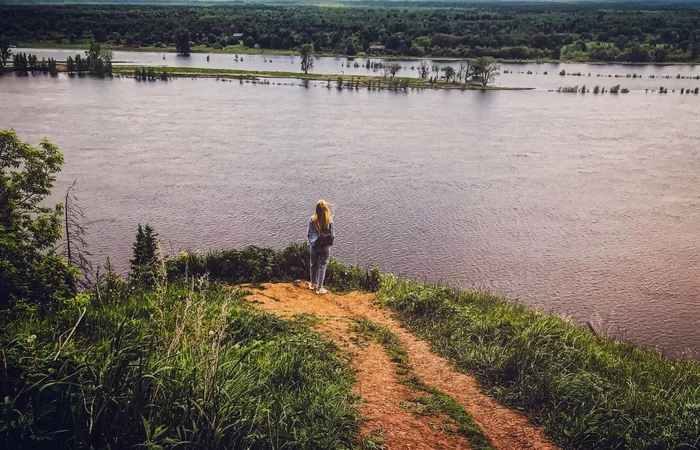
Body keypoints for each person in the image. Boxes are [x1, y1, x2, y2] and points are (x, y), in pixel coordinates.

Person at [308, 200, 334, 295]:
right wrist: (329, 244)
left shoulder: (312, 219)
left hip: (314, 246)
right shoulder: (329, 220)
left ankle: (311, 284)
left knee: (313, 264)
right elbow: (332, 235)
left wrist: (312, 242)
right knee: (322, 266)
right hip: (324, 247)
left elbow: (309, 233)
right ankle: (319, 288)